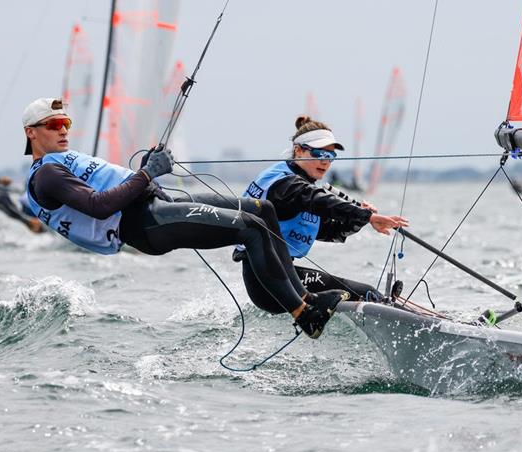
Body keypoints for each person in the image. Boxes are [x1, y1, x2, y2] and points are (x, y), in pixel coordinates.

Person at [22, 97, 345, 339]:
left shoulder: (62, 161)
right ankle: (303, 312)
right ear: (32, 133)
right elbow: (100, 206)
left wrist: (145, 170)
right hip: (144, 225)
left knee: (260, 209)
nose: (63, 131)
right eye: (53, 125)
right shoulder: (48, 173)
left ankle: (302, 298)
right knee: (251, 228)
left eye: (66, 124)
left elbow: (120, 188)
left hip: (155, 206)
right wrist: (149, 172)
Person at [234, 116, 408, 303]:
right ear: (298, 151)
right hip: (268, 280)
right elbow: (317, 199)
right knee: (367, 294)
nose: (325, 162)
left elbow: (328, 231)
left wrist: (360, 219)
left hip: (277, 276)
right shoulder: (285, 184)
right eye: (319, 154)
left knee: (363, 293)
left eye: (330, 156)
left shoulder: (295, 182)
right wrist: (367, 216)